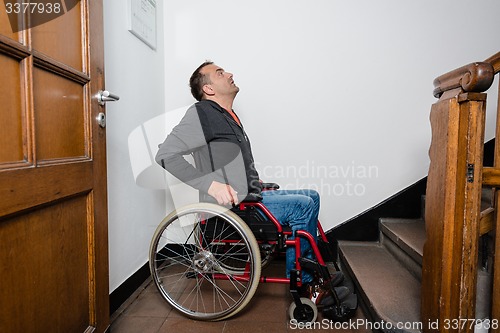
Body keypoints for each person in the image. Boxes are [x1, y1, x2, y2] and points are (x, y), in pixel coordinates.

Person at [155, 61, 337, 298]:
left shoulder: (229, 116)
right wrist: (211, 184)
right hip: (231, 208)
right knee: (301, 206)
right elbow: (165, 155)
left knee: (312, 195)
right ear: (208, 89)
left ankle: (314, 266)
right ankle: (306, 284)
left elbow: (229, 163)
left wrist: (255, 183)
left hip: (250, 195)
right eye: (220, 73)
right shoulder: (202, 113)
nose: (229, 74)